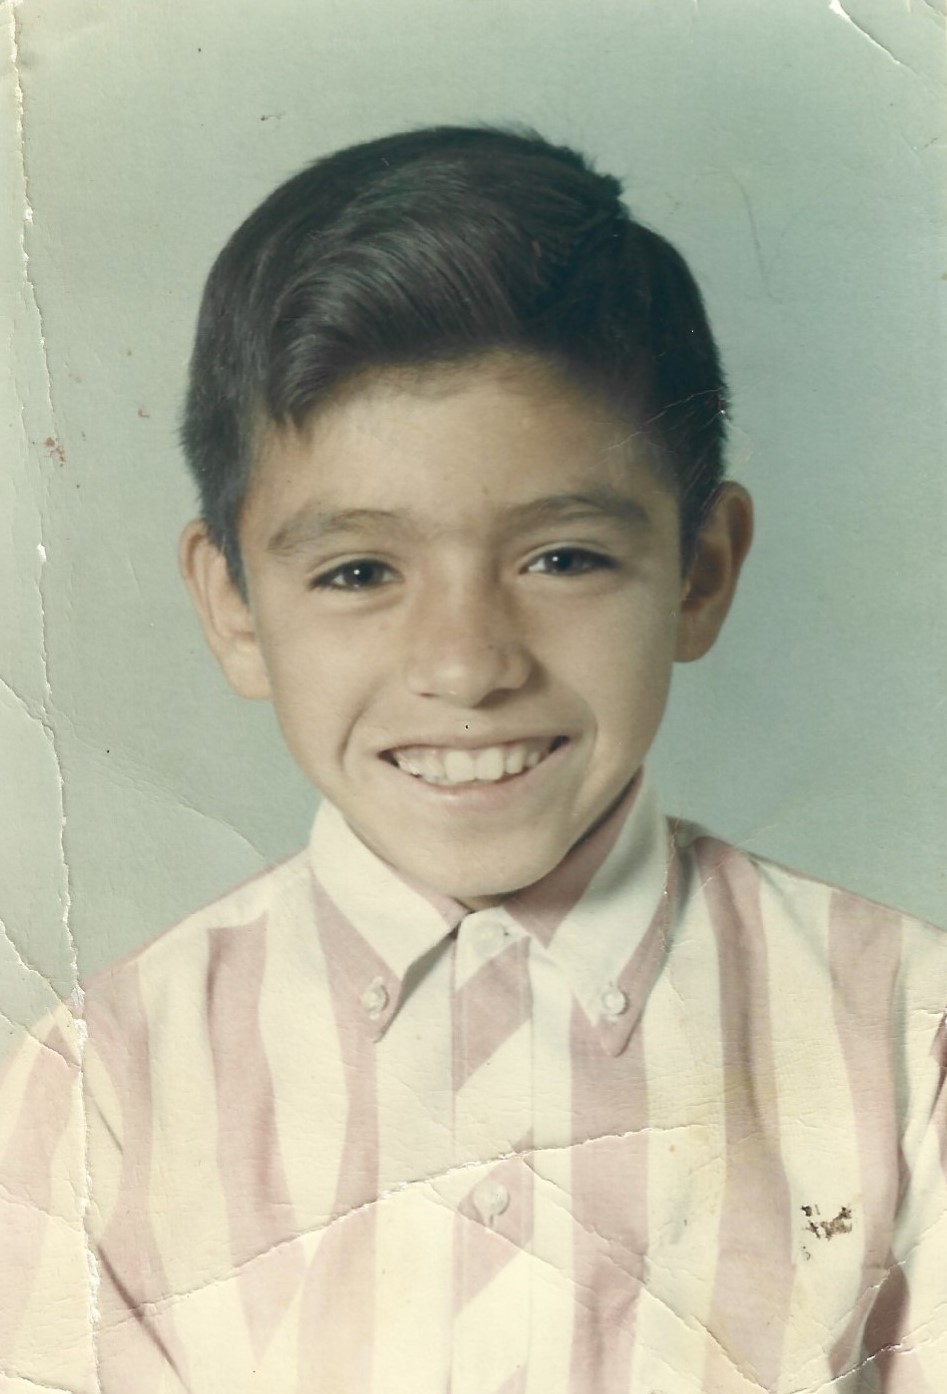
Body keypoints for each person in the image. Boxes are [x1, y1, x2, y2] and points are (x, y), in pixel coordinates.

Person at [2, 125, 945, 1394]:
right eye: (358, 571)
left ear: (700, 570)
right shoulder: (97, 1094)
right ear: (233, 605)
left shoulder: (907, 1039)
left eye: (562, 557)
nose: (464, 663)